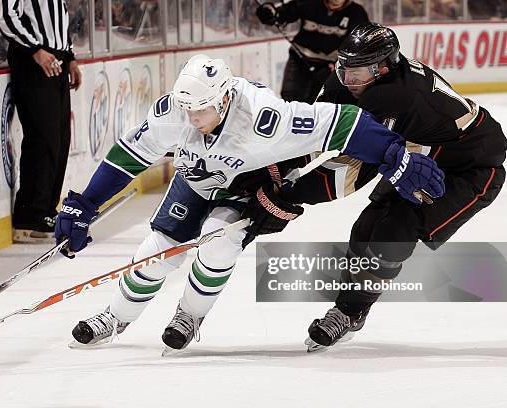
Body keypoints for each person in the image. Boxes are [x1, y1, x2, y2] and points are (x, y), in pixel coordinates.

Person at [54, 53, 444, 352]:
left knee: (218, 242)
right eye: (187, 110)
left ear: (224, 100)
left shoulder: (263, 117)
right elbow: (126, 158)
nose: (192, 119)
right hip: (194, 182)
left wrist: (395, 155)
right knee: (158, 252)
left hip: (244, 186)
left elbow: (342, 123)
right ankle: (116, 317)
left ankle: (189, 315)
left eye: (202, 111)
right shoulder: (174, 111)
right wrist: (86, 203)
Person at [241, 23, 507, 351]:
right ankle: (349, 306)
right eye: (343, 68)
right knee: (365, 227)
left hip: (468, 168)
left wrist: (287, 196)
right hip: (417, 150)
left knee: (394, 231)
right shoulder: (347, 80)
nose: (348, 80)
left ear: (383, 68)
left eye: (358, 73)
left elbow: (352, 172)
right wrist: (277, 169)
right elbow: (317, 132)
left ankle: (350, 310)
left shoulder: (396, 96)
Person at [0, 0, 83, 242]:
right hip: (32, 60)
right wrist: (35, 50)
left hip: (56, 59)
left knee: (60, 138)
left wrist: (70, 57)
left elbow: (59, 17)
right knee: (43, 137)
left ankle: (46, 211)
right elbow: (6, 16)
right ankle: (29, 216)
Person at [256, 0, 368, 103]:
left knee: (321, 103)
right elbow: (285, 13)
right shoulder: (310, 2)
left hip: (330, 67)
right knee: (290, 98)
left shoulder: (356, 13)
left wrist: (339, 65)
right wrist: (272, 12)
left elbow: (359, 45)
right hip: (300, 59)